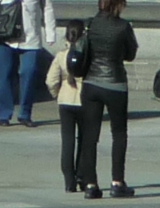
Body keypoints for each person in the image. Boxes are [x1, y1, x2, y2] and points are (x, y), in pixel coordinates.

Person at [79, 0, 139, 201]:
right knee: (119, 133)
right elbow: (130, 54)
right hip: (115, 83)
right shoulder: (123, 27)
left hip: (91, 83)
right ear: (120, 4)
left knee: (89, 135)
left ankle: (90, 184)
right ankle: (117, 182)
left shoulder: (90, 24)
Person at [47, 18, 90, 194]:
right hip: (84, 100)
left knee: (67, 141)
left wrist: (57, 94)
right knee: (85, 141)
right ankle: (81, 174)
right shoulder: (87, 56)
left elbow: (50, 80)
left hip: (65, 100)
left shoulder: (60, 56)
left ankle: (68, 181)